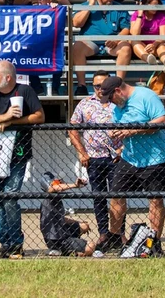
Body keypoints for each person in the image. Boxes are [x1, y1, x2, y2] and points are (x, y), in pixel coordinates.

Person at [95, 76, 165, 256]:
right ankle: (114, 237)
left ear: (118, 91)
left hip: (155, 158)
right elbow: (121, 127)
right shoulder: (118, 106)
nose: (111, 103)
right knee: (116, 195)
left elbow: (161, 120)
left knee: (155, 200)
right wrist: (117, 134)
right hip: (130, 157)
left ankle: (154, 242)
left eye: (111, 98)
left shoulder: (146, 96)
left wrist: (133, 130)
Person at [0, 60, 44, 258]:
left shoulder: (25, 91)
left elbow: (39, 117)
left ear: (8, 77)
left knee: (10, 196)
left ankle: (16, 243)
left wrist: (12, 121)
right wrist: (4, 117)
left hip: (18, 154)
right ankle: (4, 242)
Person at [69, 71, 119, 240]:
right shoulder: (84, 104)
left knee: (117, 198)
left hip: (116, 157)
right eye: (97, 86)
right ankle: (104, 233)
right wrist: (82, 153)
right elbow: (73, 128)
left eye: (104, 85)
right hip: (93, 158)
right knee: (98, 197)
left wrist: (123, 149)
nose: (100, 89)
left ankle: (118, 233)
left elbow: (132, 126)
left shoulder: (119, 103)